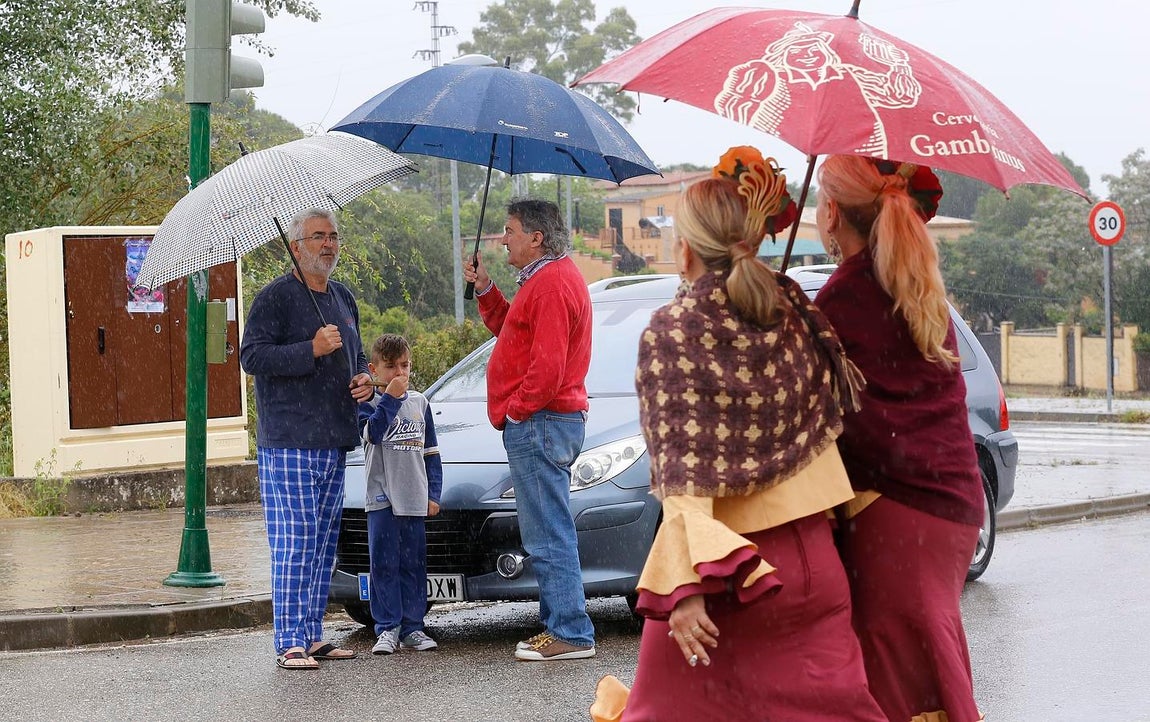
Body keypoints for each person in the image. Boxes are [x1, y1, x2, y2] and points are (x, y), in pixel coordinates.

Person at [591, 148, 886, 722]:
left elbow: (683, 465)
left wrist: (683, 584)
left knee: (661, 713)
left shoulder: (675, 329)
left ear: (684, 250)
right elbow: (839, 419)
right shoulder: (794, 307)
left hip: (734, 574)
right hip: (817, 568)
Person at [813, 154, 985, 722]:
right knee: (927, 646)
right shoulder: (915, 281)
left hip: (896, 509)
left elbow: (823, 408)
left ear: (831, 212)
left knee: (898, 670)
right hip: (952, 502)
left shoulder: (845, 294)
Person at [239, 207, 374, 670]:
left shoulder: (342, 297)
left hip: (335, 438)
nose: (329, 244)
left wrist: (364, 381)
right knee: (293, 541)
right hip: (290, 440)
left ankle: (312, 634)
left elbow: (358, 358)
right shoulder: (275, 298)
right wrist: (310, 349)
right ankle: (288, 641)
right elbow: (252, 357)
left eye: (334, 236)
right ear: (296, 247)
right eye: (318, 236)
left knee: (322, 543)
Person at [462, 198, 597, 662]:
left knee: (547, 532)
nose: (504, 239)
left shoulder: (554, 284)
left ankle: (571, 632)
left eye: (510, 230)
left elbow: (548, 366)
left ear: (536, 237)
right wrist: (485, 288)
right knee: (545, 529)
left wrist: (517, 410)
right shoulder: (545, 280)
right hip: (541, 420)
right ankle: (560, 625)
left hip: (540, 421)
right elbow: (513, 331)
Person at [358, 333, 443, 656]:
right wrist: (390, 399)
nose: (399, 374)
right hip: (381, 499)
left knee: (413, 564)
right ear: (375, 370)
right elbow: (372, 434)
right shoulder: (369, 403)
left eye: (404, 366)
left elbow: (431, 453)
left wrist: (433, 493)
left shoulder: (420, 403)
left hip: (414, 498)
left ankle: (413, 626)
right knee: (383, 564)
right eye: (391, 367)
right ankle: (387, 628)